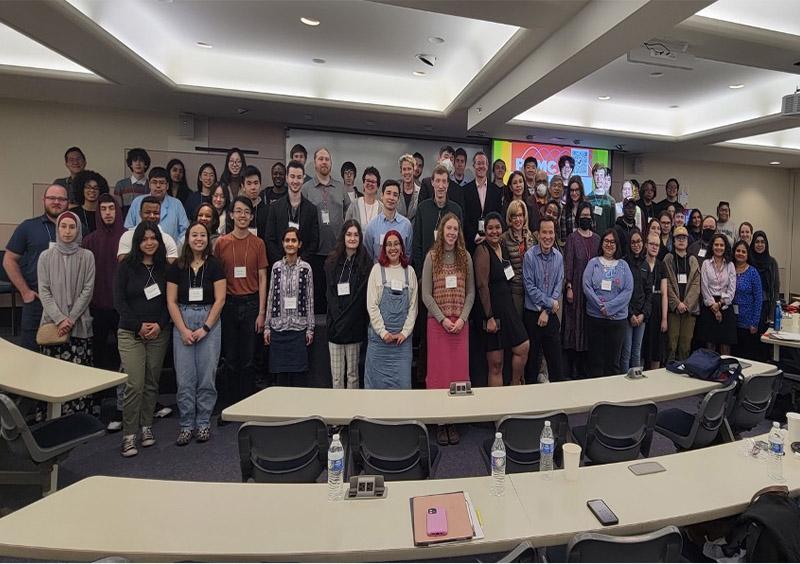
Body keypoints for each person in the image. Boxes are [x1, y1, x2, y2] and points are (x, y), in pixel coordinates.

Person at [166, 222, 226, 446]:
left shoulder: (215, 265)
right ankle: (186, 425)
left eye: (202, 235)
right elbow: (171, 301)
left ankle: (203, 422)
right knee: (184, 379)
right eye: (194, 235)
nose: (199, 239)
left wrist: (205, 328)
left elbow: (220, 299)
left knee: (206, 378)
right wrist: (183, 330)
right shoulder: (177, 267)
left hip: (208, 321)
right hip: (182, 320)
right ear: (187, 239)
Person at [114, 221, 171, 457]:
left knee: (151, 382)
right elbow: (119, 302)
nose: (149, 243)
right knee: (134, 384)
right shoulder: (126, 266)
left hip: (159, 332)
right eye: (145, 239)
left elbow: (171, 302)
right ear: (138, 242)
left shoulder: (164, 268)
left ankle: (146, 428)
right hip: (130, 332)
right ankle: (129, 435)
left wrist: (159, 324)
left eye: (153, 238)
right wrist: (138, 326)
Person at [421, 214, 474, 445]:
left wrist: (462, 319)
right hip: (438, 325)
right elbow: (425, 294)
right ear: (442, 230)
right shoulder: (432, 257)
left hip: (460, 325)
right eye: (448, 228)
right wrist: (443, 319)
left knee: (457, 375)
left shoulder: (466, 257)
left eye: (455, 229)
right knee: (439, 374)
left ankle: (454, 420)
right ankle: (441, 422)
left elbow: (471, 293)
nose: (451, 232)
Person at [213, 197, 268, 418]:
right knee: (230, 358)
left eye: (247, 212)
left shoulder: (259, 243)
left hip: (251, 303)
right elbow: (216, 277)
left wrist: (262, 312)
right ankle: (229, 408)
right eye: (238, 211)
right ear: (232, 215)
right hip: (228, 304)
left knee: (248, 359)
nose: (243, 215)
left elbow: (263, 278)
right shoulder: (221, 243)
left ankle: (247, 407)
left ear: (252, 216)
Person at [37, 211, 96, 414]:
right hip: (54, 326)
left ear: (78, 229)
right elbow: (44, 291)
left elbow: (88, 290)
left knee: (77, 375)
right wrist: (60, 319)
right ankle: (52, 418)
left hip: (78, 324)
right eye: (64, 226)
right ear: (57, 229)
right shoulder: (45, 256)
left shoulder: (87, 256)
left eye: (72, 227)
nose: (68, 231)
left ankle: (79, 417)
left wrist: (71, 319)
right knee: (53, 376)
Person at [3, 184, 70, 350]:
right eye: (52, 198)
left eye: (61, 199)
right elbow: (9, 260)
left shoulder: (76, 227)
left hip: (67, 302)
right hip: (36, 301)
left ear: (68, 202)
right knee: (31, 352)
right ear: (44, 200)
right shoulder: (28, 227)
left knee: (66, 356)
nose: (56, 202)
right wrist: (25, 292)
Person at [474, 212, 529, 386]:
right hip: (492, 310)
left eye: (497, 227)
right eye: (490, 228)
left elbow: (509, 274)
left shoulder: (503, 247)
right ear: (485, 230)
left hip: (508, 307)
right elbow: (482, 286)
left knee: (523, 346)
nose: (494, 231)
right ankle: (495, 406)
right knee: (496, 364)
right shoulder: (482, 250)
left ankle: (514, 384)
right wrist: (489, 317)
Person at [364, 230, 417, 389]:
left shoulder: (410, 272)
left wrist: (405, 332)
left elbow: (413, 308)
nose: (392, 248)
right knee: (376, 391)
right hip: (379, 343)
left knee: (402, 390)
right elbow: (371, 305)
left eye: (396, 244)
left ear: (402, 248)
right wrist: (383, 332)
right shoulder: (376, 270)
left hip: (402, 345)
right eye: (388, 244)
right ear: (384, 248)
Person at [264, 227, 315, 387]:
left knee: (298, 380)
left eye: (294, 240)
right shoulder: (276, 268)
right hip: (278, 329)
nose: (290, 244)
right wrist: (267, 327)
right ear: (282, 243)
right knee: (280, 382)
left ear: (300, 244)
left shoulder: (306, 268)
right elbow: (271, 296)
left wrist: (310, 328)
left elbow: (310, 299)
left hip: (298, 330)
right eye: (287, 240)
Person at [325, 220, 371, 389]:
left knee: (352, 376)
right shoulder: (331, 263)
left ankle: (353, 413)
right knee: (337, 377)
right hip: (335, 329)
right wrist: (338, 322)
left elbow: (360, 299)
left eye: (356, 235)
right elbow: (330, 295)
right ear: (343, 236)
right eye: (349, 234)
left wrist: (345, 322)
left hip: (354, 329)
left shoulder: (366, 264)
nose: (352, 238)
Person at [302, 147, 349, 314]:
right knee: (317, 297)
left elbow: (349, 216)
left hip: (337, 252)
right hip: (315, 253)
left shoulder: (340, 187)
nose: (324, 162)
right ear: (314, 163)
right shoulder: (306, 189)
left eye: (327, 159)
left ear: (331, 163)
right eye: (320, 159)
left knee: (337, 296)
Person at [82, 194, 125, 372]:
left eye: (111, 208)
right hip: (97, 306)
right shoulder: (89, 240)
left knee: (125, 354)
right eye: (103, 209)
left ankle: (126, 398)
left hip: (122, 308)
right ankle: (97, 398)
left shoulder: (128, 237)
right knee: (97, 353)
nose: (108, 213)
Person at [583, 228, 633, 377]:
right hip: (595, 319)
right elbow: (586, 286)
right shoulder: (593, 263)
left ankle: (612, 397)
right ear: (601, 243)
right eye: (606, 241)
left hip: (617, 321)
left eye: (612, 242)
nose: (609, 244)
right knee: (595, 361)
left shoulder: (623, 265)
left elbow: (628, 290)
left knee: (613, 362)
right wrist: (600, 307)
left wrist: (610, 308)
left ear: (617, 245)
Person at [522, 218, 564, 383]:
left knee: (557, 367)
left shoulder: (559, 257)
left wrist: (546, 311)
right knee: (532, 366)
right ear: (538, 235)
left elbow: (558, 286)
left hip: (550, 315)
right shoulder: (529, 256)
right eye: (544, 232)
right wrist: (549, 305)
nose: (547, 236)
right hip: (532, 315)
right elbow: (530, 287)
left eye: (551, 232)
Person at [563, 202, 598, 378]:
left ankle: (586, 368)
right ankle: (573, 369)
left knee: (589, 327)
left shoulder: (598, 239)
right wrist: (569, 286)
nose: (586, 218)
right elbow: (568, 263)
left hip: (593, 291)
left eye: (588, 216)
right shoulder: (572, 238)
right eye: (582, 216)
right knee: (575, 325)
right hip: (576, 288)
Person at [265, 160, 319, 265]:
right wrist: (283, 261)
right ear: (287, 178)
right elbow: (269, 239)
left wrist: (300, 261)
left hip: (303, 265)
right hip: (280, 265)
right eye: (292, 176)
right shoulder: (275, 208)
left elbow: (314, 242)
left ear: (303, 179)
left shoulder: (311, 209)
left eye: (299, 177)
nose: (295, 181)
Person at [413, 164, 464, 272]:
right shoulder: (422, 208)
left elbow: (460, 242)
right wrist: (419, 273)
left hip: (450, 269)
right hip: (426, 269)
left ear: (448, 184)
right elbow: (417, 244)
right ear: (432, 182)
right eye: (437, 181)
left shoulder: (456, 210)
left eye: (444, 181)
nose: (441, 186)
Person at [663, 226, 701, 362]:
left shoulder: (693, 260)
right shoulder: (668, 259)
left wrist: (686, 304)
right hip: (673, 310)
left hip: (689, 311)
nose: (681, 240)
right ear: (673, 241)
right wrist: (677, 304)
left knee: (686, 345)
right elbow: (666, 283)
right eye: (678, 238)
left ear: (687, 240)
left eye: (684, 237)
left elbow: (697, 285)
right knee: (671, 344)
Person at [125, 167, 190, 244]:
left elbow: (185, 231)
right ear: (149, 184)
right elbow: (129, 228)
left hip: (169, 252)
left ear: (167, 186)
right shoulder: (137, 202)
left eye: (162, 183)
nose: (158, 186)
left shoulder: (177, 204)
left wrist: (175, 248)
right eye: (154, 182)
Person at [698, 234, 737, 355]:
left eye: (721, 245)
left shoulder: (730, 265)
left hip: (725, 304)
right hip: (709, 305)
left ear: (725, 247)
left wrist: (719, 304)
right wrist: (714, 308)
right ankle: (710, 372)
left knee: (725, 344)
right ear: (712, 246)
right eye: (716, 245)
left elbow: (731, 290)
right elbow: (704, 287)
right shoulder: (706, 264)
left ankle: (725, 373)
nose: (719, 247)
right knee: (710, 344)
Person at [117, 196, 179, 262]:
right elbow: (122, 262)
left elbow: (172, 266)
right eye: (147, 212)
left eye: (156, 213)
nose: (152, 216)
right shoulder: (127, 236)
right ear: (140, 214)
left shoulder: (167, 239)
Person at [621, 229, 649, 373]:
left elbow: (648, 293)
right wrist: (631, 314)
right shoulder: (624, 263)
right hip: (627, 315)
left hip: (641, 316)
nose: (636, 245)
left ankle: (636, 385)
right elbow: (622, 292)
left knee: (636, 352)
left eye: (639, 241)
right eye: (633, 242)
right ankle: (623, 386)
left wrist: (643, 314)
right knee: (626, 352)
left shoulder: (646, 264)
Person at [463, 151, 503, 254]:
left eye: (483, 163)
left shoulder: (496, 191)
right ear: (474, 166)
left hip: (492, 242)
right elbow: (464, 217)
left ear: (487, 166)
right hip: (471, 243)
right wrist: (474, 235)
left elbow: (498, 216)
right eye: (478, 163)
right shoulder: (465, 190)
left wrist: (488, 236)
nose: (481, 166)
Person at [363, 179, 412, 262]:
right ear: (382, 196)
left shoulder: (406, 225)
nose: (391, 198)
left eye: (395, 195)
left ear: (398, 199)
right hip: (378, 273)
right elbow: (368, 257)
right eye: (388, 193)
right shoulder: (371, 226)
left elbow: (408, 255)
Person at [502, 200, 535, 315]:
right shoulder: (504, 239)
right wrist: (516, 281)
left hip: (531, 289)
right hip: (515, 290)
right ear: (510, 219)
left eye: (520, 215)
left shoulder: (530, 236)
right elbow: (505, 267)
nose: (518, 219)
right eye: (514, 216)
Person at [732, 240, 763, 360]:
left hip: (748, 322)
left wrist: (754, 322)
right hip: (731, 321)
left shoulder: (753, 272)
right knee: (733, 356)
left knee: (747, 356)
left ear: (747, 255)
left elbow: (758, 298)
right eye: (738, 251)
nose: (740, 253)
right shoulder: (729, 269)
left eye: (743, 252)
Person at [641, 233, 668, 369]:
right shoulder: (640, 263)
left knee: (656, 348)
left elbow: (664, 294)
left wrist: (664, 318)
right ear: (646, 245)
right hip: (643, 309)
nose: (654, 247)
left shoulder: (661, 265)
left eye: (657, 245)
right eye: (652, 244)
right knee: (642, 347)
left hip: (657, 310)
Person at [751, 231, 780, 340]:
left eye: (762, 242)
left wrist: (772, 313)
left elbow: (776, 289)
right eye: (757, 242)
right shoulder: (748, 260)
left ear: (766, 244)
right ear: (753, 244)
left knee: (763, 338)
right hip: (750, 305)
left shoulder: (772, 263)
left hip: (765, 306)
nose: (759, 245)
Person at [114, 148, 151, 215]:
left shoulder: (151, 186)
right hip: (126, 224)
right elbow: (117, 212)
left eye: (141, 160)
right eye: (135, 160)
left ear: (146, 164)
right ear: (130, 164)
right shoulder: (121, 185)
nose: (138, 163)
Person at [72, 170, 110, 235]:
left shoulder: (106, 213)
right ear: (81, 189)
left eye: (96, 188)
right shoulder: (73, 214)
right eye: (88, 187)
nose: (92, 190)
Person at [586, 164, 615, 235]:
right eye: (596, 175)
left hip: (605, 240)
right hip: (590, 237)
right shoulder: (587, 199)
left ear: (605, 178)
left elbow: (612, 226)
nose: (599, 178)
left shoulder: (611, 201)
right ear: (593, 177)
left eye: (601, 175)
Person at [240, 165, 268, 239]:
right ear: (243, 187)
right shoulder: (237, 210)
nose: (253, 187)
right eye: (249, 184)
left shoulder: (268, 211)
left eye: (256, 183)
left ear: (260, 185)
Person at [559, 175, 585, 243]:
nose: (574, 193)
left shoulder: (587, 207)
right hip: (570, 247)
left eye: (577, 190)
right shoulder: (565, 210)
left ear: (581, 190)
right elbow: (564, 237)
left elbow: (592, 231)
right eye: (571, 190)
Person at [397, 153, 421, 221]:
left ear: (414, 170)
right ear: (401, 171)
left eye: (409, 169)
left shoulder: (420, 192)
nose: (407, 172)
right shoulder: (396, 191)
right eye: (404, 169)